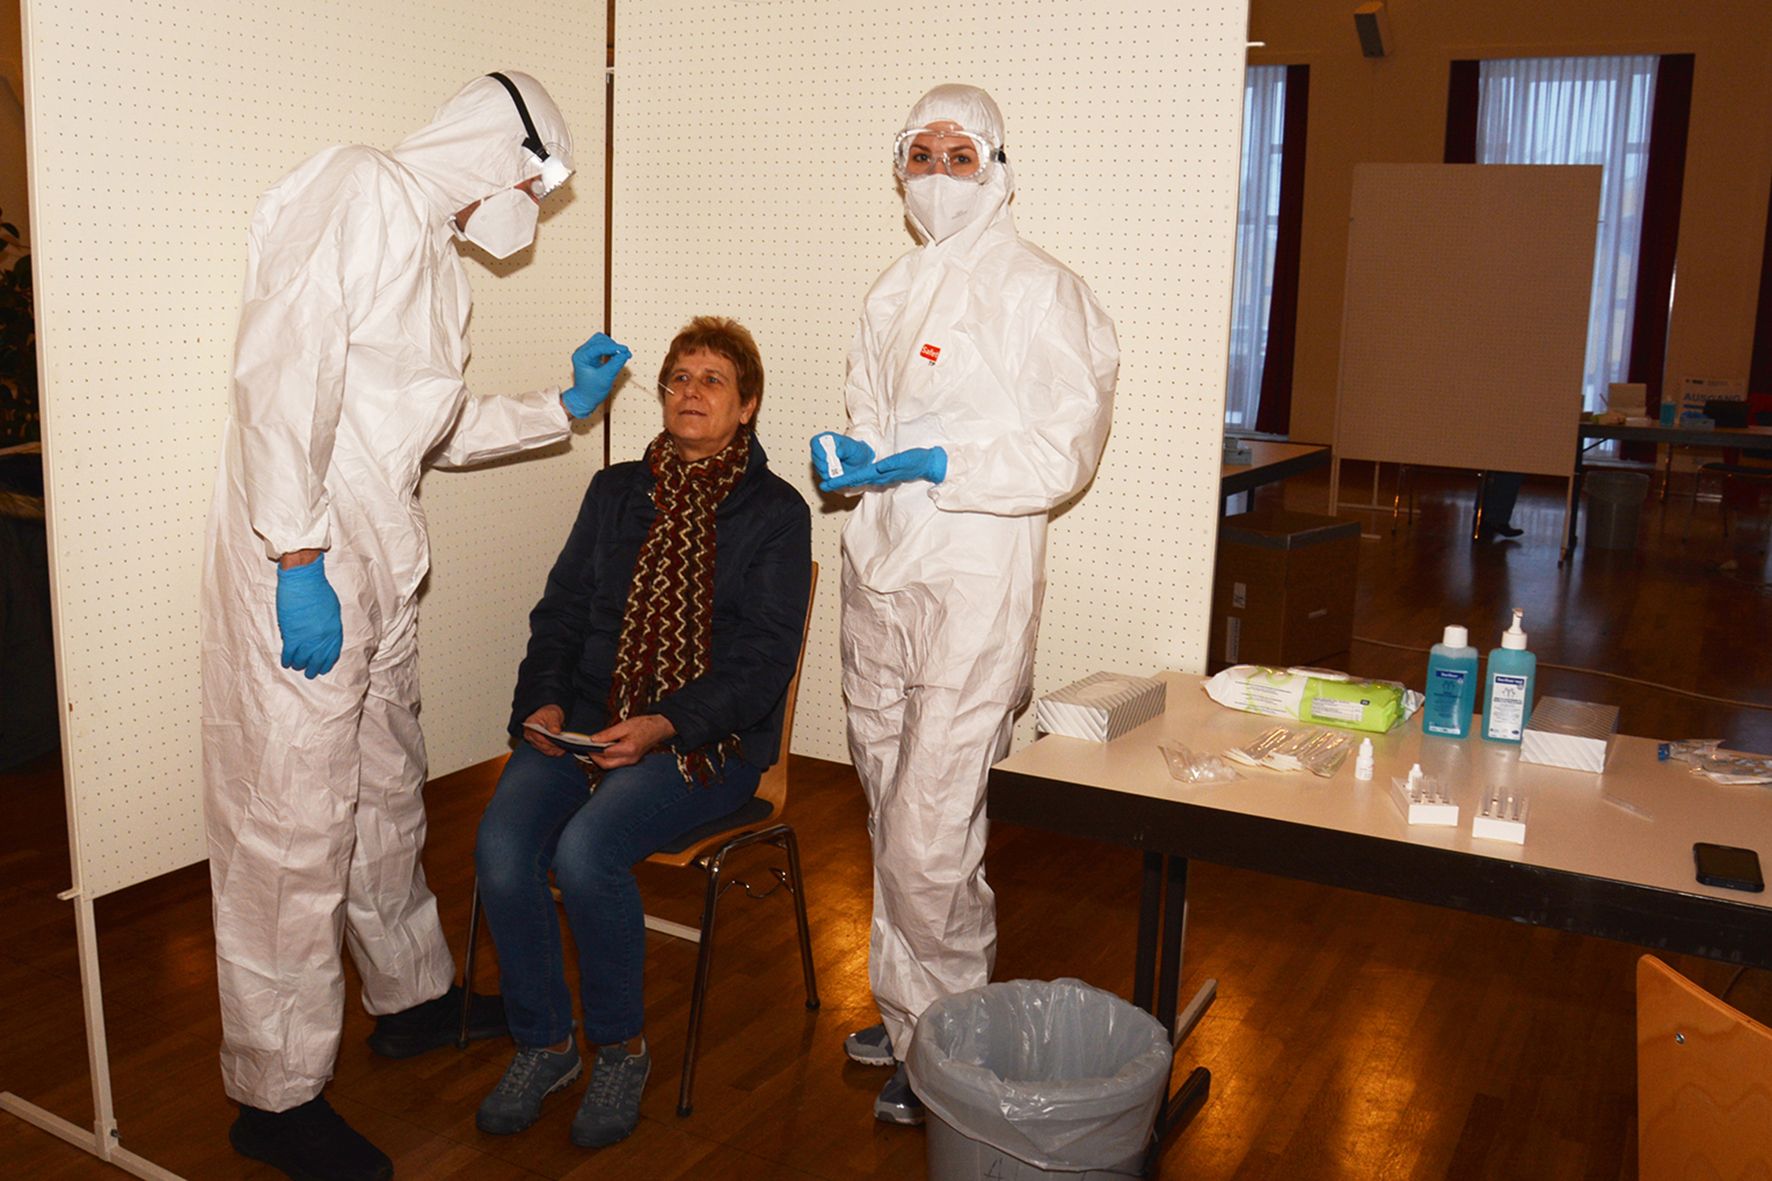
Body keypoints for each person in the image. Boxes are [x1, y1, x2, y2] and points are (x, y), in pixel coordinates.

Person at [201, 71, 633, 1181]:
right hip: (306, 553)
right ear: (500, 149)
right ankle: (274, 1090)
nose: (531, 208)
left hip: (375, 557)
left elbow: (423, 431)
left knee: (387, 793)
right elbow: (281, 373)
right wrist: (295, 554)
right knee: (290, 832)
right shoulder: (358, 188)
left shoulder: (434, 261)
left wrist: (560, 410)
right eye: (535, 182)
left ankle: (411, 998)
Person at [810, 84, 1118, 1124]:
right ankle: (915, 1011)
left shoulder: (1044, 292)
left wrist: (945, 455)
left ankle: (939, 1054)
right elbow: (867, 406)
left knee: (930, 835)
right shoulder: (893, 290)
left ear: (996, 166)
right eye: (918, 154)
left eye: (957, 155)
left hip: (974, 582)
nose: (936, 174)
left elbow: (1063, 449)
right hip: (881, 571)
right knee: (888, 803)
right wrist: (852, 454)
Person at [472, 316, 812, 1149]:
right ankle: (546, 1042)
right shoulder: (616, 491)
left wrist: (663, 723)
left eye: (712, 380)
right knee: (502, 845)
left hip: (709, 744)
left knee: (587, 853)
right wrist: (546, 704)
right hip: (586, 724)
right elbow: (560, 612)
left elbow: (762, 665)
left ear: (748, 406)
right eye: (677, 378)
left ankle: (619, 1047)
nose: (690, 393)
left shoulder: (775, 512)